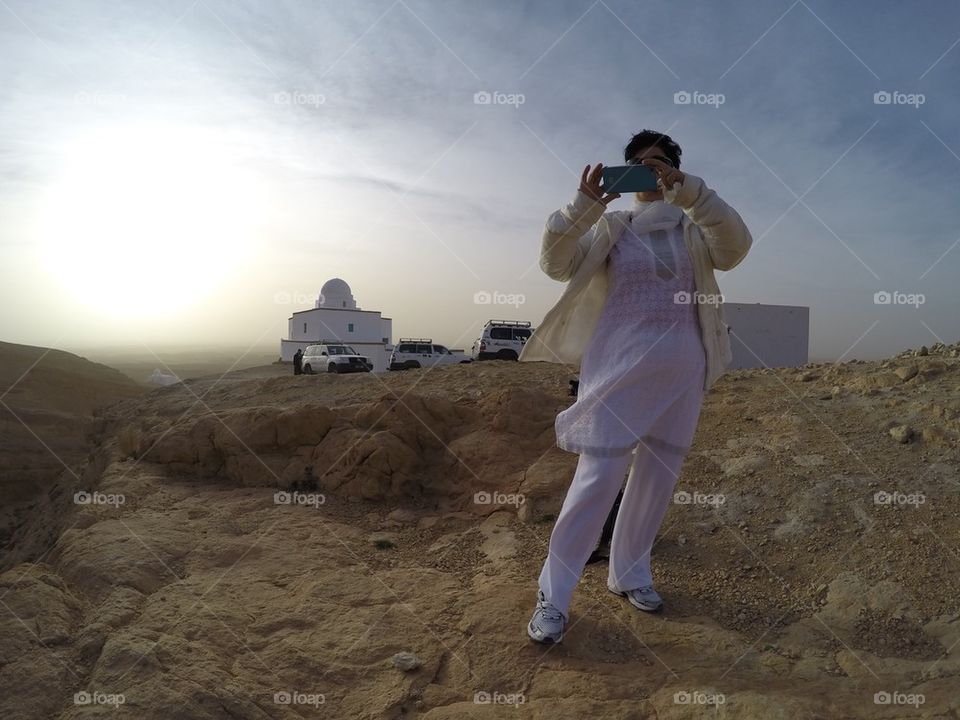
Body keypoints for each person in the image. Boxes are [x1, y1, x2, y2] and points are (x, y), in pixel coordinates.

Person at [518, 130, 752, 644]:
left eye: (661, 163)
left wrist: (691, 191)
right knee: (598, 479)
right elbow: (555, 264)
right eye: (640, 164)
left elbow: (736, 248)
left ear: (674, 171)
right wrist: (582, 208)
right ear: (627, 174)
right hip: (617, 371)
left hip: (683, 371)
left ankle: (630, 574)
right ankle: (553, 596)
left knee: (656, 480)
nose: (651, 171)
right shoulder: (613, 229)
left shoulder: (694, 230)